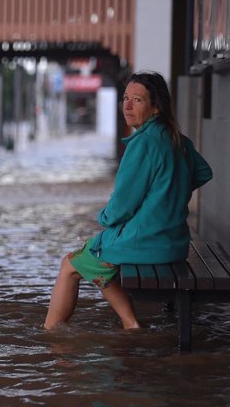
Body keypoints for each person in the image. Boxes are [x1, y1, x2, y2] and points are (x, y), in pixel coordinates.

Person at [44, 70, 213, 330]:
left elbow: (121, 206)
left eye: (138, 100)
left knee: (70, 264)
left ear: (156, 107)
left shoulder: (142, 143)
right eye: (125, 98)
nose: (127, 105)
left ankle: (51, 336)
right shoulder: (176, 138)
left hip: (146, 242)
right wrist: (170, 194)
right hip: (175, 242)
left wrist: (104, 217)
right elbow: (203, 172)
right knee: (94, 257)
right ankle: (130, 323)